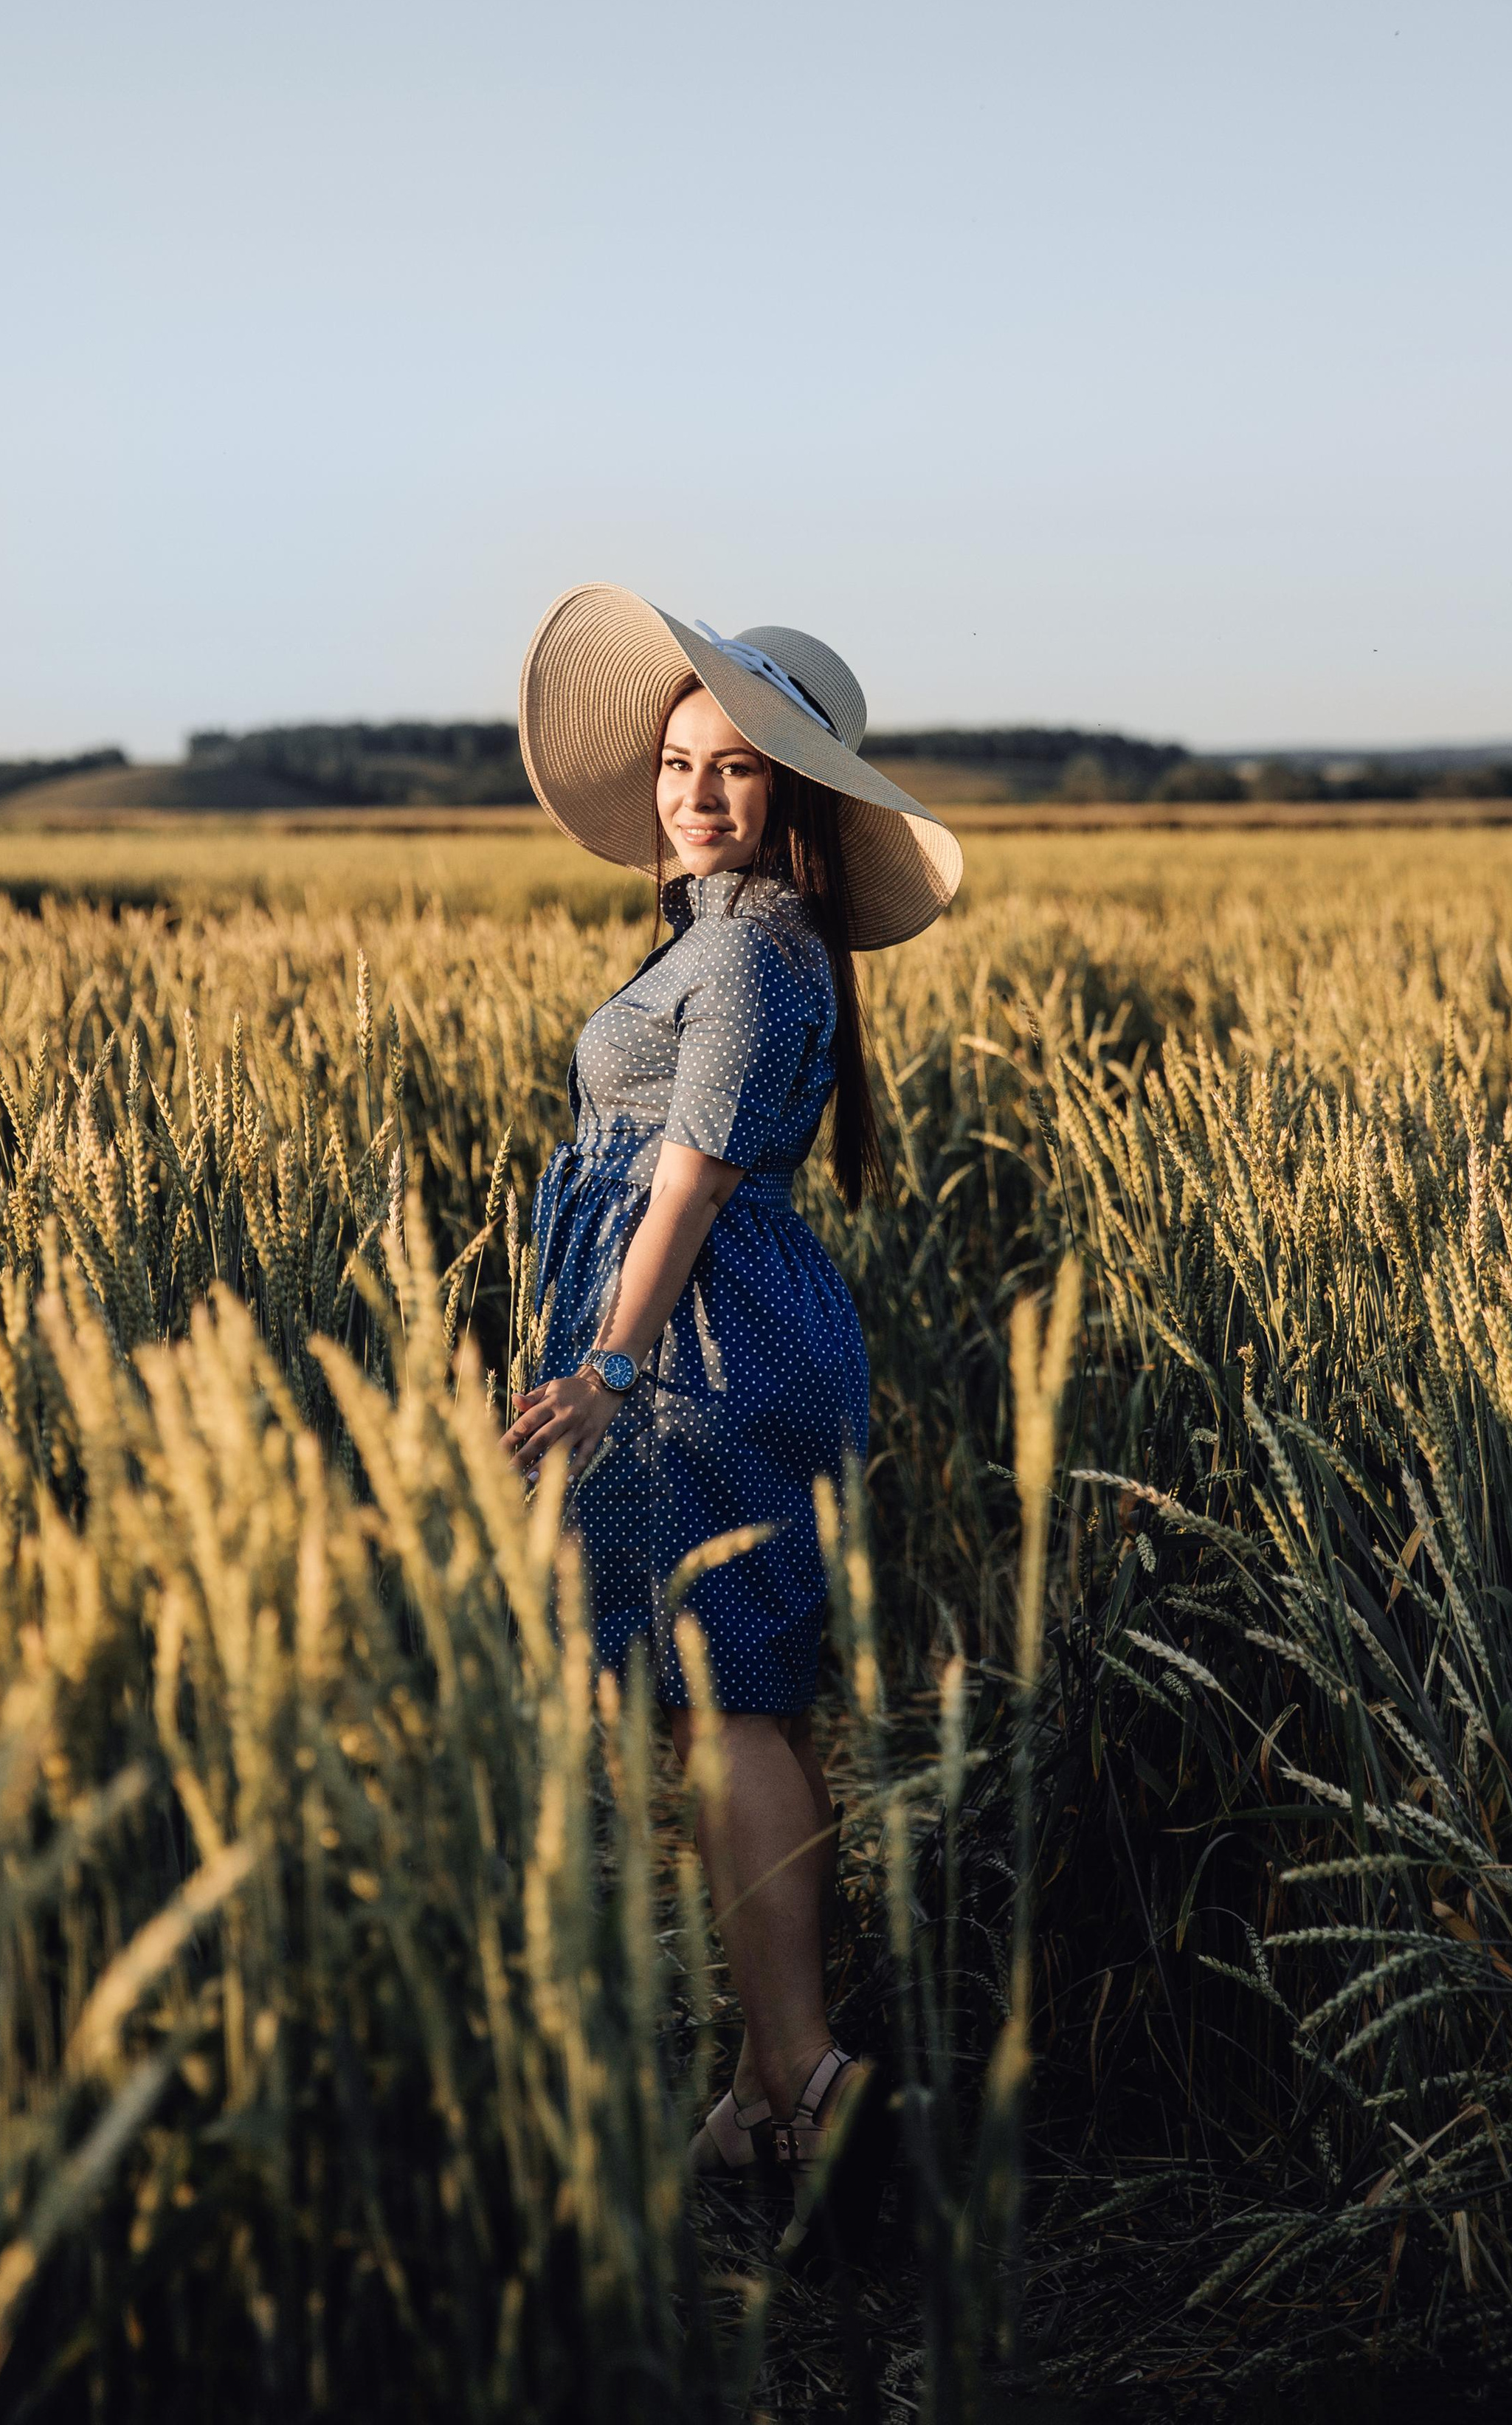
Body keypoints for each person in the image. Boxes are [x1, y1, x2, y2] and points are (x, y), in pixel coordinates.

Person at [504, 585, 961, 2244]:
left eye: (738, 770)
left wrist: (612, 1365)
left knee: (731, 1704)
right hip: (698, 1329)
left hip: (699, 1347)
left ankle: (808, 2082)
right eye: (679, 763)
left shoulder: (758, 949)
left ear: (795, 799)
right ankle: (774, 2091)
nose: (697, 794)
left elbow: (689, 1176)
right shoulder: (725, 935)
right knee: (730, 1705)